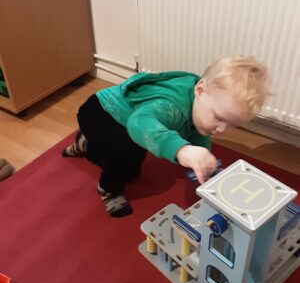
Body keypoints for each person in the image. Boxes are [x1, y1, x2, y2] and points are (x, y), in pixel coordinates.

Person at [62, 55, 269, 218]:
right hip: (101, 113)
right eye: (219, 117)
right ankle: (107, 187)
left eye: (231, 124)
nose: (222, 130)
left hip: (128, 118)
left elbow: (197, 135)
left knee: (132, 171)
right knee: (127, 153)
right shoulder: (173, 106)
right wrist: (182, 150)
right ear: (201, 90)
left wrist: (203, 161)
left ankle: (90, 143)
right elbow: (138, 124)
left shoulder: (203, 107)